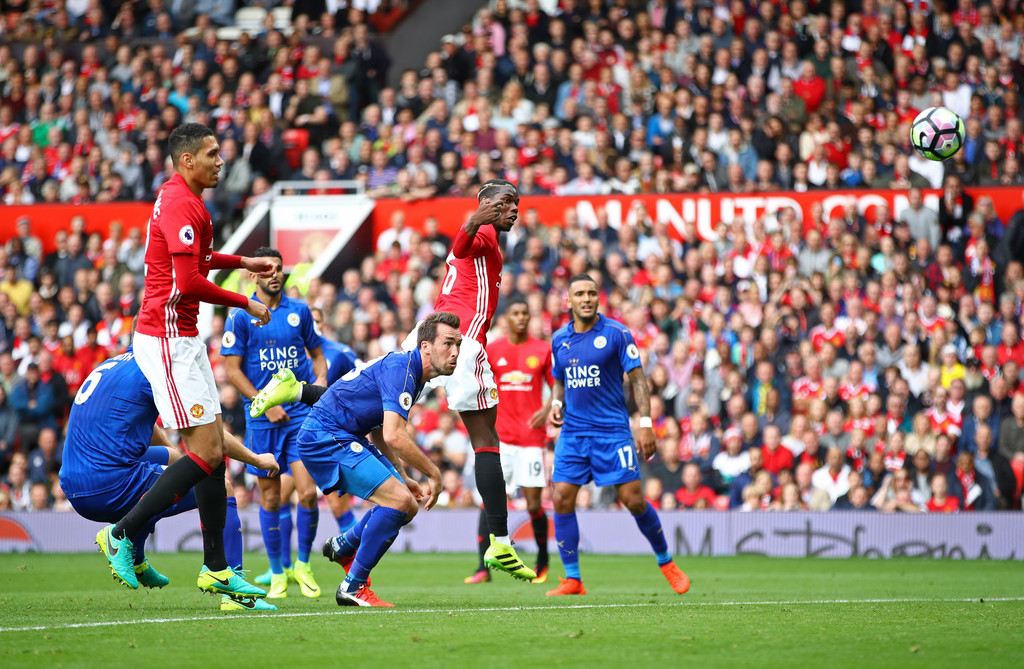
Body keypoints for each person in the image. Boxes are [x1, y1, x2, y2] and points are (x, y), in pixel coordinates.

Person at [96, 123, 275, 599]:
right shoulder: (179, 203)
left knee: (213, 449)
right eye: (213, 153)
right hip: (167, 336)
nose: (222, 160)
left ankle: (216, 568)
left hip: (185, 336)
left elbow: (198, 259)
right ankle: (123, 532)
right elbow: (188, 283)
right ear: (187, 161)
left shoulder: (186, 201)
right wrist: (245, 301)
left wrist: (242, 264)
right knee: (205, 454)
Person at [250, 311, 458, 607]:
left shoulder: (411, 373)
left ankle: (344, 546)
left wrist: (402, 475)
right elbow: (396, 435)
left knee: (406, 503)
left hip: (342, 434)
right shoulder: (403, 369)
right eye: (448, 343)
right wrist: (434, 474)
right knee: (399, 502)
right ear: (425, 346)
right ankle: (353, 585)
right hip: (325, 435)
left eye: (458, 345)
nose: (455, 352)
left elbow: (380, 431)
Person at [59, 348, 279, 611]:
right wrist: (255, 459)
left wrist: (173, 457)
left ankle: (136, 559)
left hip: (73, 479)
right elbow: (210, 436)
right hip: (108, 485)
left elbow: (141, 420)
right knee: (222, 487)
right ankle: (235, 594)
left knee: (174, 468)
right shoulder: (158, 369)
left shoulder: (113, 364)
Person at [398, 178, 535, 581]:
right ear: (489, 204)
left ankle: (303, 392)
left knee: (375, 412)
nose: (514, 209)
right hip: (461, 340)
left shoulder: (488, 236)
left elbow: (461, 250)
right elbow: (461, 244)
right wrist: (476, 218)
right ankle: (500, 542)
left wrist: (477, 220)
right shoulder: (485, 231)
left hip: (425, 333)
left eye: (517, 203)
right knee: (486, 441)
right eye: (507, 202)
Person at [545, 274, 690, 596]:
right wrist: (556, 402)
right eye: (580, 293)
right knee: (561, 497)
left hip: (612, 431)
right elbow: (559, 379)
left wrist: (647, 423)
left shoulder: (616, 333)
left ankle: (666, 562)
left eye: (592, 293)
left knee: (633, 500)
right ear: (568, 301)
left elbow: (638, 379)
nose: (586, 298)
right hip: (574, 432)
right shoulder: (559, 339)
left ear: (599, 299)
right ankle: (573, 578)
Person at [222, 247, 327, 599]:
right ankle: (278, 572)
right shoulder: (241, 315)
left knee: (308, 493)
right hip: (263, 421)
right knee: (269, 498)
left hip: (298, 414)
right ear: (254, 275)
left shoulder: (300, 312)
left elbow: (317, 357)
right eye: (266, 269)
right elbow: (231, 370)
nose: (274, 274)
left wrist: (319, 390)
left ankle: (304, 565)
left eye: (279, 268)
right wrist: (263, 404)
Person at [465, 298, 554, 584]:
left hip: (531, 438)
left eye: (525, 313)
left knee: (533, 505)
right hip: (499, 438)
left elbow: (557, 387)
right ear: (506, 318)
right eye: (515, 313)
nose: (521, 317)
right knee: (490, 500)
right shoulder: (493, 350)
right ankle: (482, 567)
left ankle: (542, 559)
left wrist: (548, 406)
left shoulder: (542, 349)